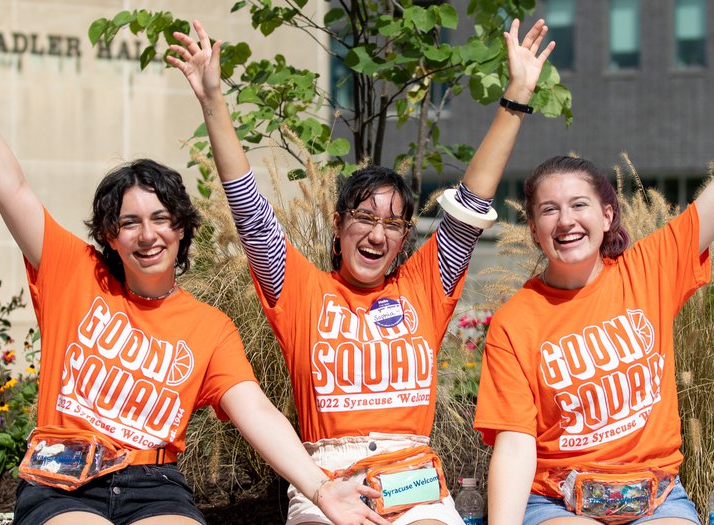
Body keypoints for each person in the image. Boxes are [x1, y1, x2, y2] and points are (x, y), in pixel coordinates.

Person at [0, 3, 390, 525]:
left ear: (182, 229)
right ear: (109, 235)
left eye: (162, 219)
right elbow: (10, 188)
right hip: (62, 484)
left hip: (154, 486)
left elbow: (255, 411)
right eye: (130, 222)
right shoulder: (73, 272)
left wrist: (321, 488)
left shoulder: (209, 328)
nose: (148, 235)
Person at [166, 13, 556, 525]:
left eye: (394, 224)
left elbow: (472, 200)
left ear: (405, 237)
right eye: (365, 218)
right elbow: (249, 211)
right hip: (327, 479)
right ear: (338, 223)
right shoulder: (298, 288)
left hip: (413, 479)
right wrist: (213, 102)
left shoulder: (425, 285)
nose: (377, 234)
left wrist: (516, 97)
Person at [473, 6, 714, 525]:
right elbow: (516, 445)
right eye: (549, 209)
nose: (565, 220)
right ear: (533, 227)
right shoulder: (514, 324)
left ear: (606, 214)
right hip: (557, 504)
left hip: (658, 499)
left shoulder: (650, 269)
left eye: (579, 205)